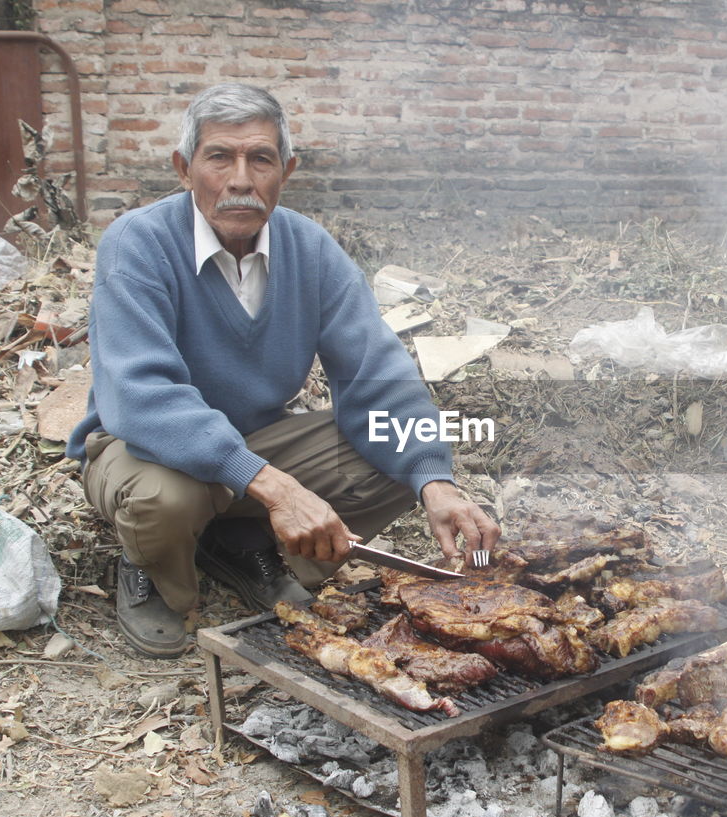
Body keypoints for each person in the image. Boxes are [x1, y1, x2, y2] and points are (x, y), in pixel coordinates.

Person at [67, 83, 500, 658]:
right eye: (219, 157)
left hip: (254, 440)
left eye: (261, 159)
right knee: (166, 499)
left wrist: (435, 480)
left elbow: (376, 370)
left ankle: (241, 540)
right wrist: (275, 486)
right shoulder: (137, 243)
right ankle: (148, 567)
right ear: (184, 168)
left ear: (286, 171)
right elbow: (140, 396)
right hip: (140, 446)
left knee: (397, 458)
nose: (240, 179)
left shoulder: (309, 248)